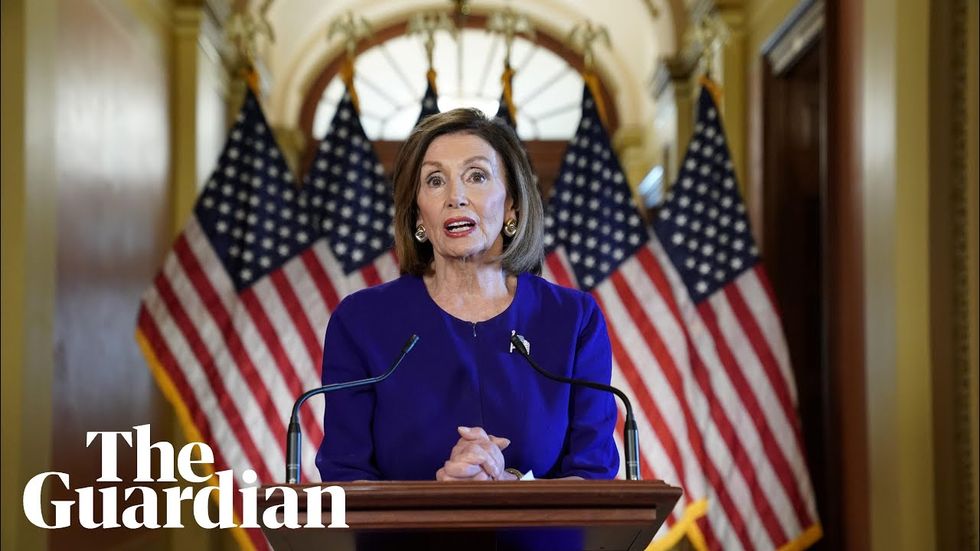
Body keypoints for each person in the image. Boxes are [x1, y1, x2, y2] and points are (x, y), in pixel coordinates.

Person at [315, 108, 619, 483]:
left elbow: (594, 475)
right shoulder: (361, 321)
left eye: (477, 176)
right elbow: (345, 478)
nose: (455, 196)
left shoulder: (573, 319)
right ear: (418, 216)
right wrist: (441, 498)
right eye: (435, 180)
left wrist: (509, 489)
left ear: (513, 205)